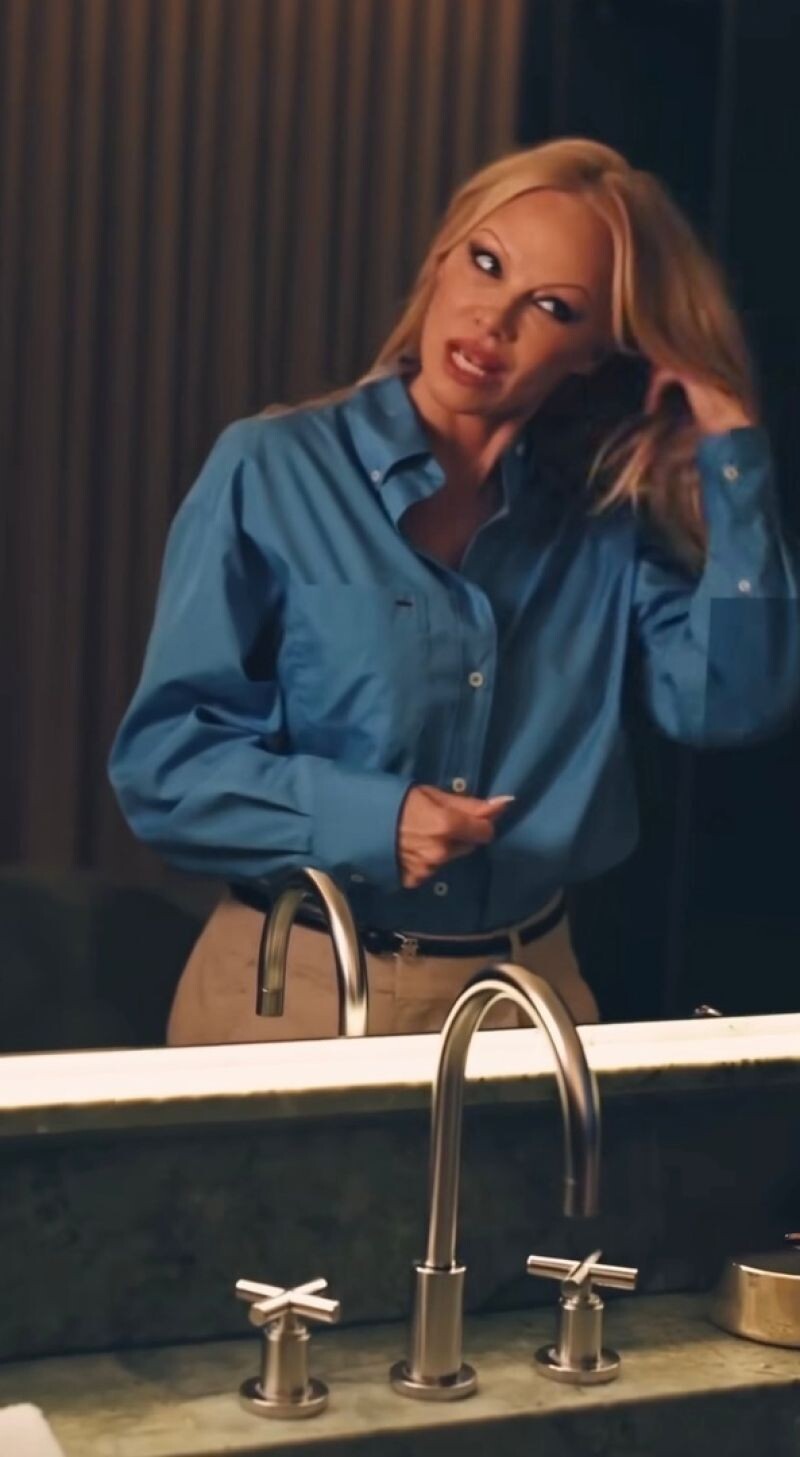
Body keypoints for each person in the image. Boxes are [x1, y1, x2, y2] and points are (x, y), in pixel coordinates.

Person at [108, 136, 800, 1045]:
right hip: (293, 990)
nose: (492, 318)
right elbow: (166, 769)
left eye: (551, 306)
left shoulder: (600, 519)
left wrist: (732, 456)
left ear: (597, 351)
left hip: (529, 1000)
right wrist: (375, 817)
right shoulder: (271, 469)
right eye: (486, 262)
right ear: (442, 256)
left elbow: (730, 703)